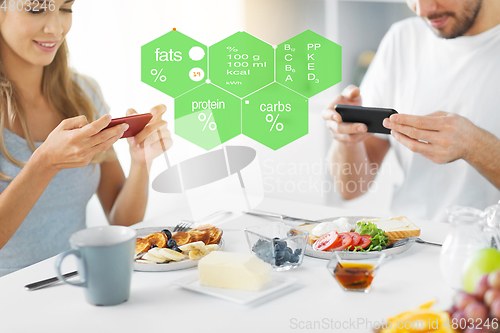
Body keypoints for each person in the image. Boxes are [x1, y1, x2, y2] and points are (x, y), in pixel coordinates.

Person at [0, 0, 173, 276]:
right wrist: (44, 163)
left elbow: (122, 223)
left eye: (66, 8)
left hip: (77, 284)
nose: (56, 27)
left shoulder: (82, 94)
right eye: (36, 8)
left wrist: (141, 163)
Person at [323, 0, 500, 221]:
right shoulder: (403, 39)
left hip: (488, 247)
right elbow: (350, 188)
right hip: (407, 241)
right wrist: (346, 139)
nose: (422, 10)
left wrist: (475, 146)